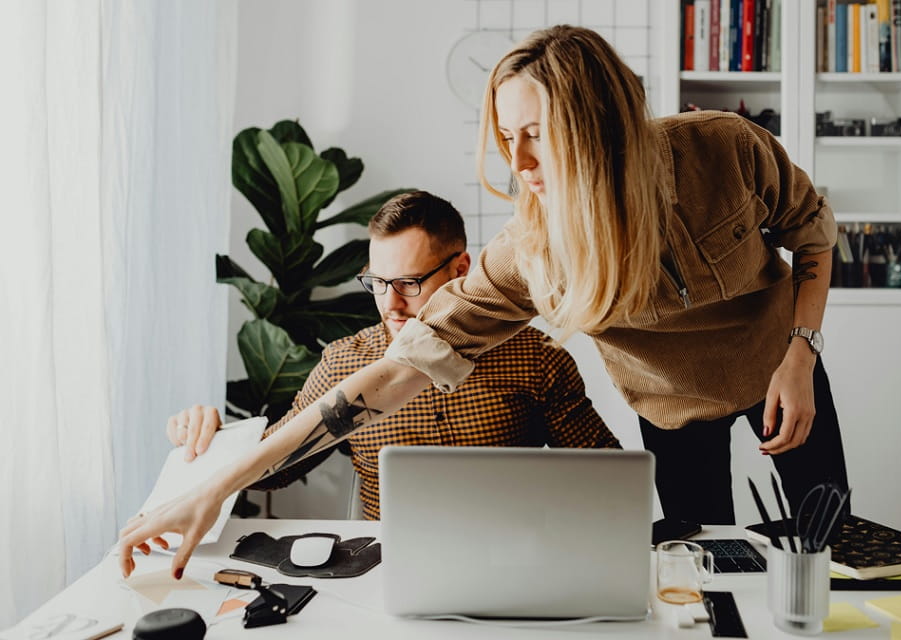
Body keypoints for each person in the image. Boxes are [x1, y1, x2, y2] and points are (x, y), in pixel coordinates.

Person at [119, 25, 849, 579]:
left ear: (599, 125)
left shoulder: (725, 148)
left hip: (782, 363)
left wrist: (800, 354)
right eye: (506, 137)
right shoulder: (527, 255)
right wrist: (217, 485)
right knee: (714, 566)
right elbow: (393, 373)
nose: (519, 163)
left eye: (537, 135)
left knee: (834, 544)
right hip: (671, 407)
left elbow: (813, 233)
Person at [166, 190, 620, 520]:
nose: (390, 304)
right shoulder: (344, 363)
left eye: (408, 283)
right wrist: (207, 437)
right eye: (377, 283)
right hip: (381, 574)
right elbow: (273, 470)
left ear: (461, 269)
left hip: (516, 560)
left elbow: (605, 478)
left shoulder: (537, 357)